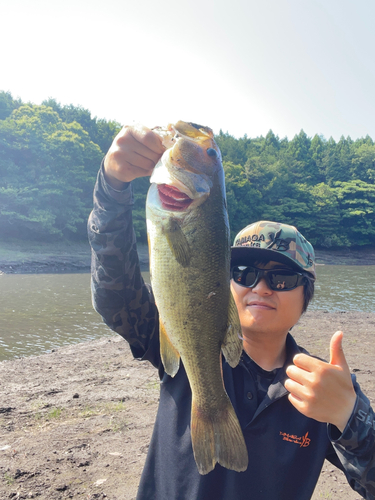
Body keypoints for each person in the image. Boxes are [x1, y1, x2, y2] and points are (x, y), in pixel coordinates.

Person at [88, 125, 375, 500]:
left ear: (307, 296)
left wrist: (348, 417)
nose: (261, 287)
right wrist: (111, 187)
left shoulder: (322, 387)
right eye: (243, 273)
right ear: (224, 281)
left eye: (283, 277)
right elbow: (115, 297)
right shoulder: (181, 338)